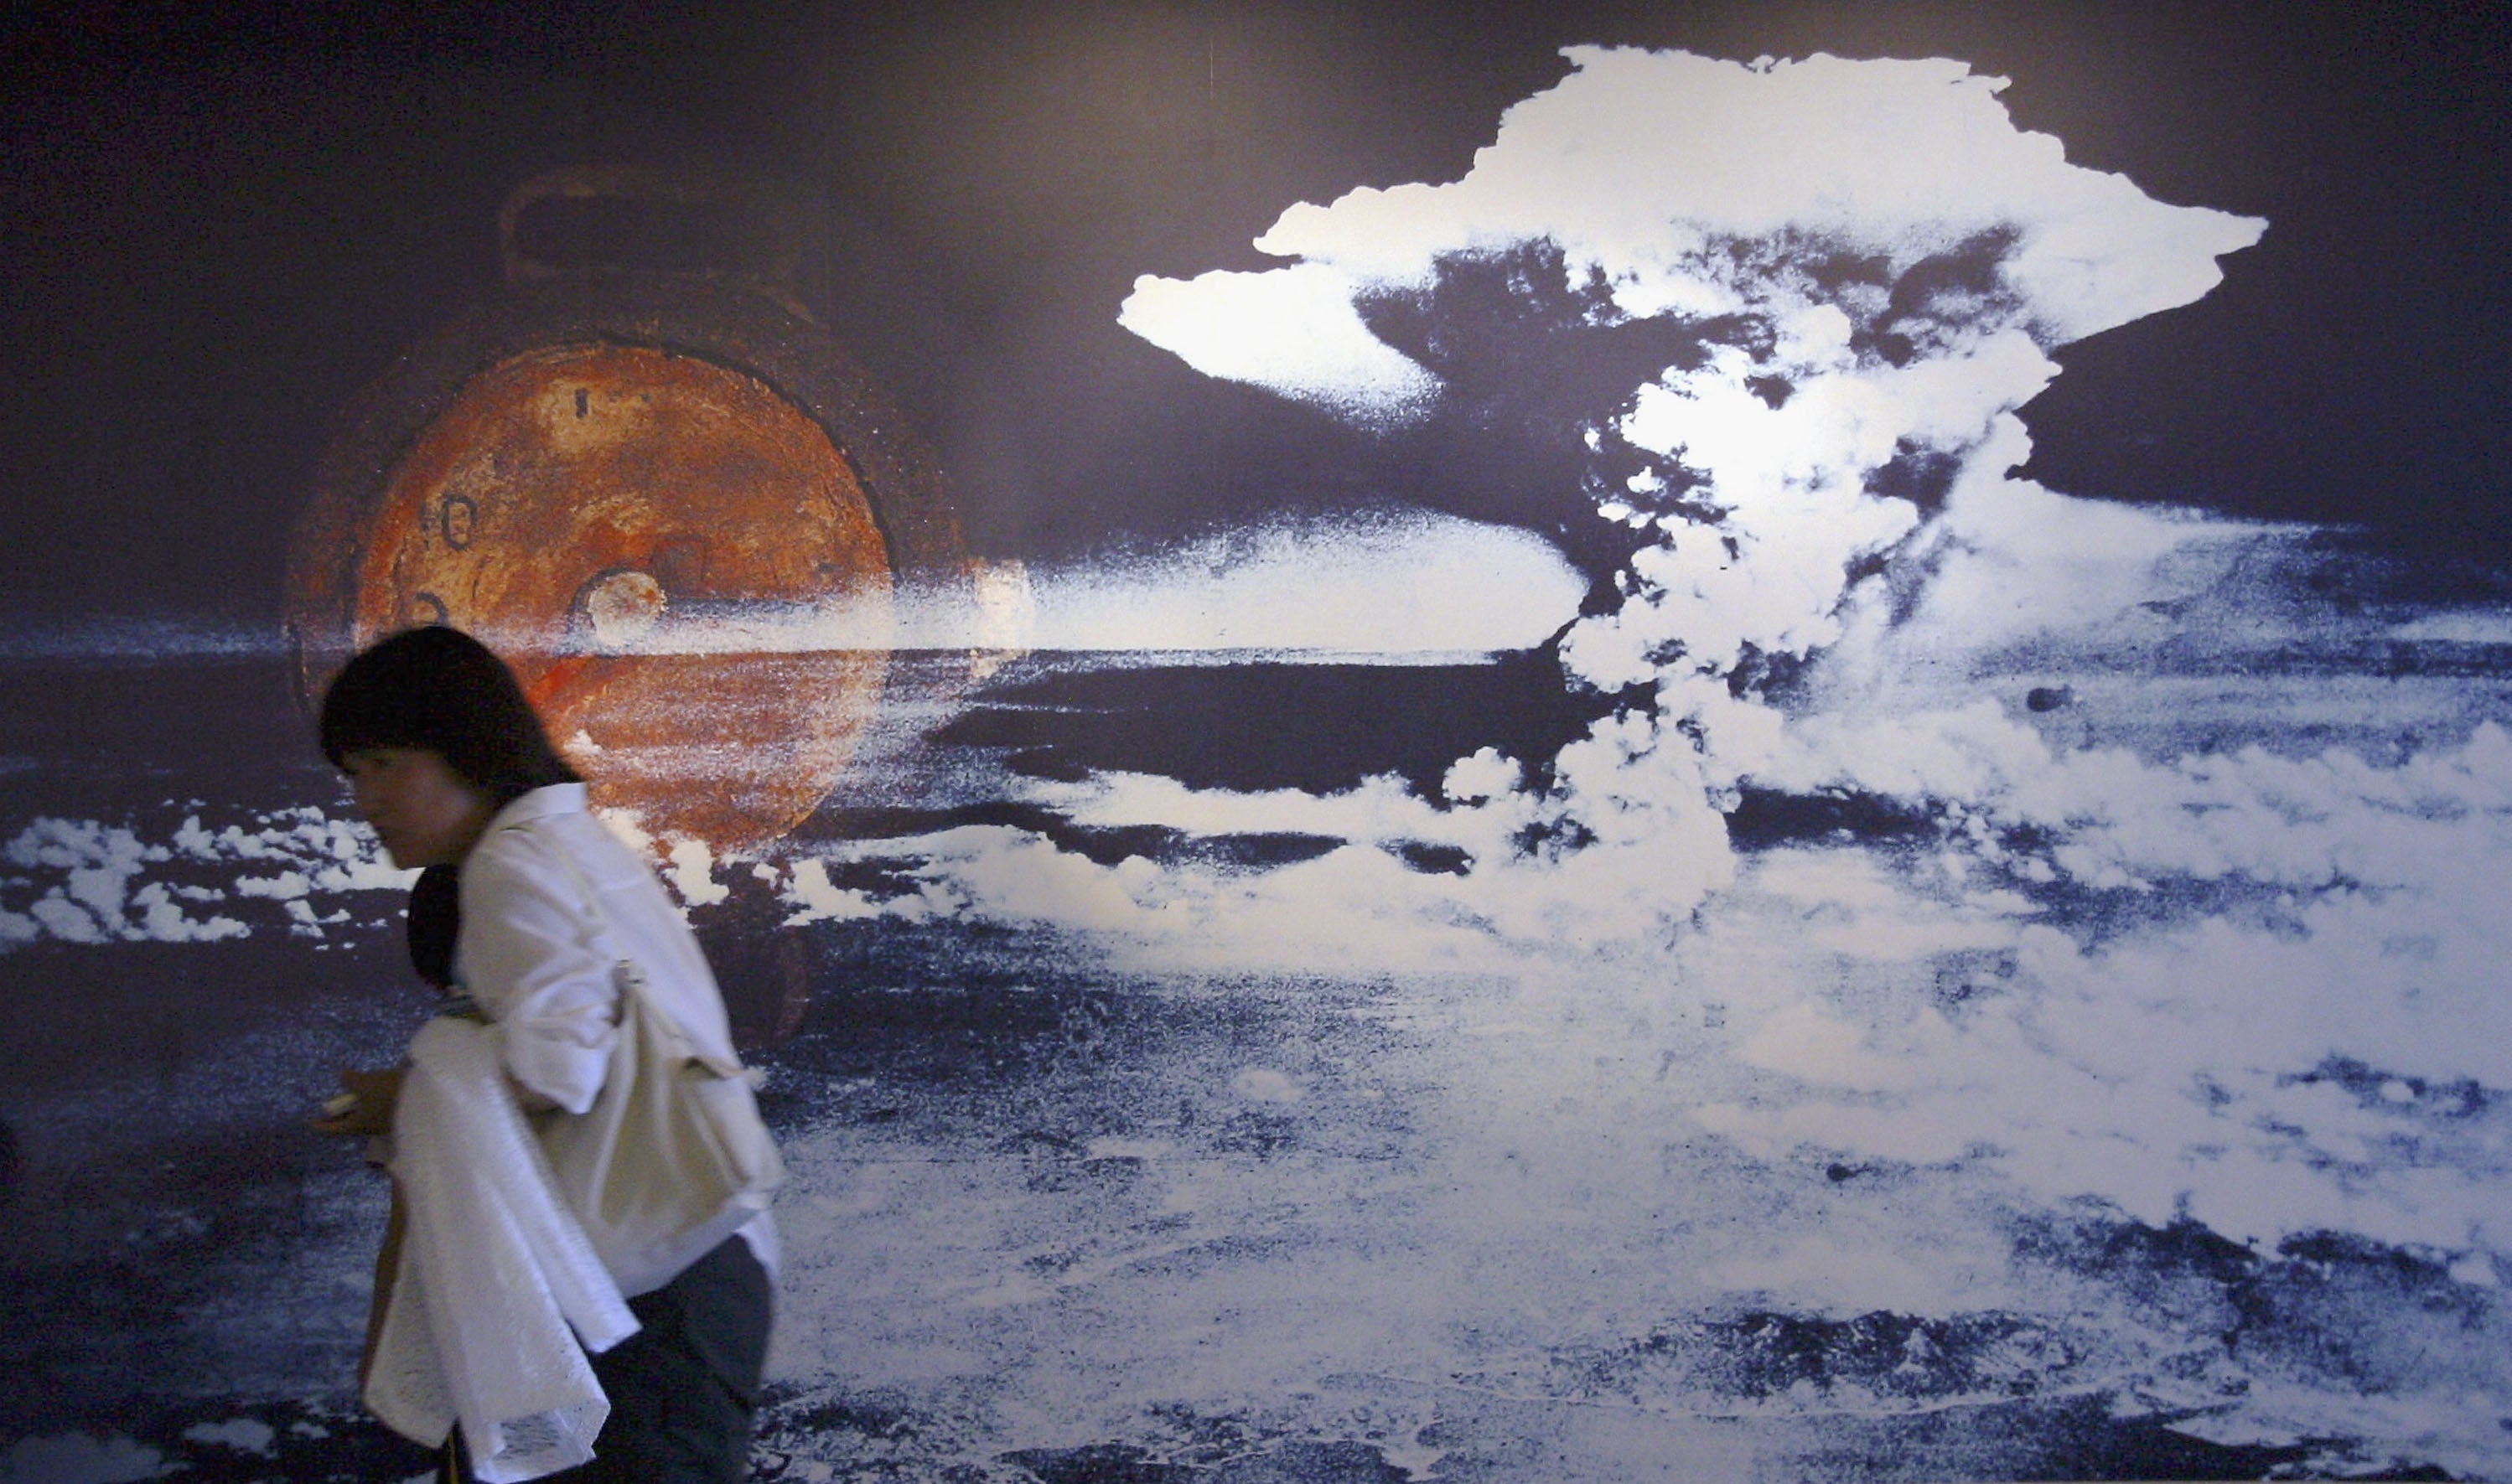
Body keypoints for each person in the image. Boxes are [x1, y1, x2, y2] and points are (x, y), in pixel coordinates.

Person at [311, 624, 774, 1483]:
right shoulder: (566, 844)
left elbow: (560, 1066)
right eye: (353, 773)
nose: (366, 797)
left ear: (467, 749)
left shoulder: (512, 863)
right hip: (687, 1261)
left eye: (384, 763)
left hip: (654, 1288)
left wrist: (410, 1093)